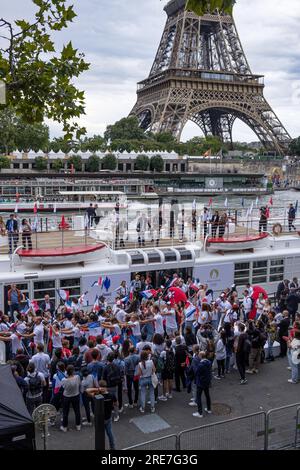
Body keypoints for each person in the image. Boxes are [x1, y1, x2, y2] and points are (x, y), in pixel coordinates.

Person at [86, 380, 117, 450]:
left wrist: (97, 389)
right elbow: (116, 404)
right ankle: (113, 448)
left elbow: (87, 390)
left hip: (99, 419)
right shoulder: (112, 395)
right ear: (106, 386)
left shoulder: (97, 395)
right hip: (108, 418)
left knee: (99, 435)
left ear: (99, 387)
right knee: (110, 433)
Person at [60, 365, 81, 432]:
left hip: (67, 396)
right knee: (77, 411)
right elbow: (79, 384)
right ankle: (78, 425)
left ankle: (64, 426)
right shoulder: (77, 377)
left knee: (65, 412)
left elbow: (63, 387)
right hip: (76, 395)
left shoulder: (64, 380)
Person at [192, 351, 212, 418]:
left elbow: (197, 373)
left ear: (200, 356)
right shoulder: (209, 362)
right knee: (207, 395)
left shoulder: (200, 365)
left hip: (200, 383)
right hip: (207, 382)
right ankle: (209, 409)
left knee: (198, 397)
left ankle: (200, 412)